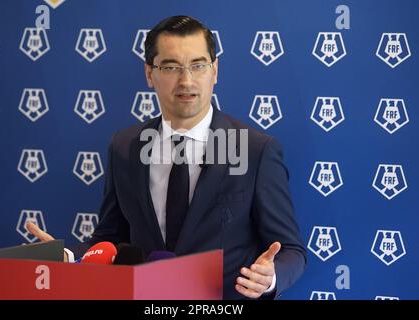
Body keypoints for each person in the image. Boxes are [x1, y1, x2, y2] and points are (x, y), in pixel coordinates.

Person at [27, 15, 306, 300]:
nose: (186, 80)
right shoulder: (124, 148)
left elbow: (291, 251)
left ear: (215, 71)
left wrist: (271, 277)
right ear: (150, 74)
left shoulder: (255, 149)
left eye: (198, 66)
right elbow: (110, 237)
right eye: (171, 67)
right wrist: (66, 257)